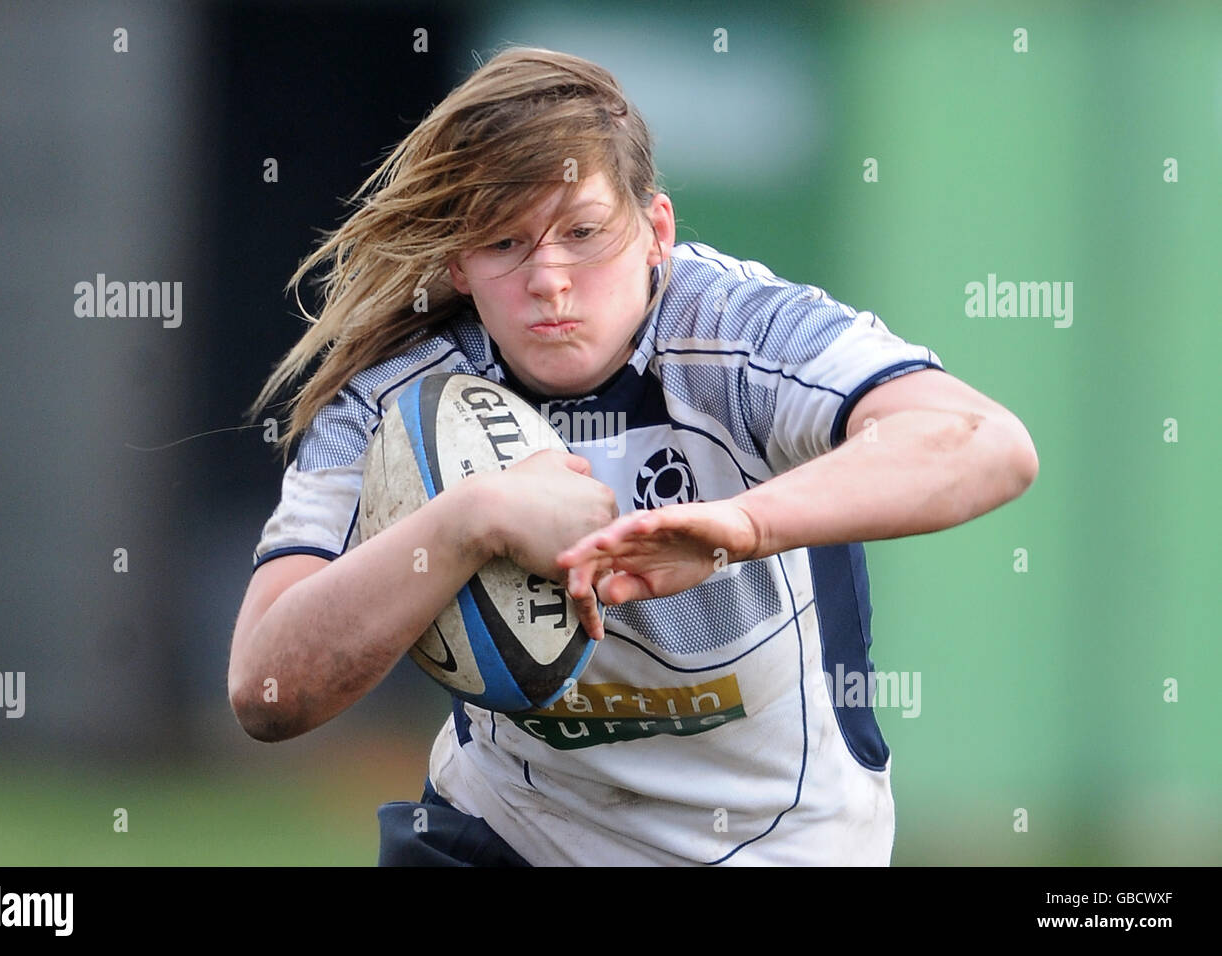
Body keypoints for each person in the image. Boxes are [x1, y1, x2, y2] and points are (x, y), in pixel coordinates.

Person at [228, 46, 1038, 866]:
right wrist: (470, 522)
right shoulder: (392, 397)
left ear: (655, 230)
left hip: (776, 846)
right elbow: (265, 691)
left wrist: (739, 525)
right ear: (457, 265)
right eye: (505, 242)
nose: (549, 278)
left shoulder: (739, 333)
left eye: (582, 232)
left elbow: (989, 444)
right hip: (508, 833)